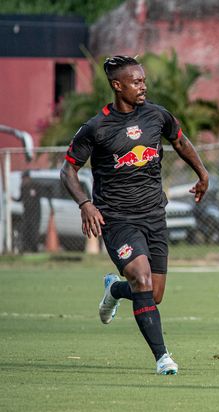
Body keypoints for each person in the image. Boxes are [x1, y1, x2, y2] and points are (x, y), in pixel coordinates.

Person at [60, 55, 209, 375]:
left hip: (154, 216)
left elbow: (180, 141)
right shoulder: (95, 128)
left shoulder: (157, 115)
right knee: (141, 279)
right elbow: (68, 170)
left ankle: (115, 290)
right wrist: (86, 204)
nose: (143, 86)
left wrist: (202, 173)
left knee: (152, 294)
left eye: (143, 80)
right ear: (117, 85)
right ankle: (163, 358)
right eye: (136, 81)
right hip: (117, 220)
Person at [19, 171, 40, 252]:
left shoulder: (35, 186)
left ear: (28, 178)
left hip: (35, 212)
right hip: (26, 212)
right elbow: (20, 198)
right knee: (25, 229)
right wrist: (13, 198)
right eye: (22, 179)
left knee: (34, 230)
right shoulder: (22, 187)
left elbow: (39, 196)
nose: (23, 180)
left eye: (24, 178)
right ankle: (25, 247)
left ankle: (34, 247)